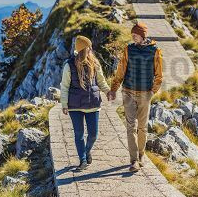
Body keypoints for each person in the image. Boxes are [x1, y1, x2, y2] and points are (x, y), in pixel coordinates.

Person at [109, 22, 163, 172]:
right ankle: (133, 160)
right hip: (128, 92)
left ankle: (141, 155)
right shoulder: (128, 49)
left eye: (135, 35)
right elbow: (120, 72)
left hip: (145, 94)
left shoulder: (155, 51)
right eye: (132, 35)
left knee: (142, 127)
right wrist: (113, 89)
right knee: (130, 126)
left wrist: (152, 92)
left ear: (143, 35)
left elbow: (159, 76)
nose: (133, 37)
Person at [60, 35, 111, 171]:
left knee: (93, 134)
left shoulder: (95, 63)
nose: (90, 49)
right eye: (88, 47)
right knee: (79, 134)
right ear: (83, 49)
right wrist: (64, 104)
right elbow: (64, 86)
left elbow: (101, 80)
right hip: (75, 105)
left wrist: (108, 91)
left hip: (92, 104)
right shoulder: (69, 65)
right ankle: (82, 160)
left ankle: (87, 151)